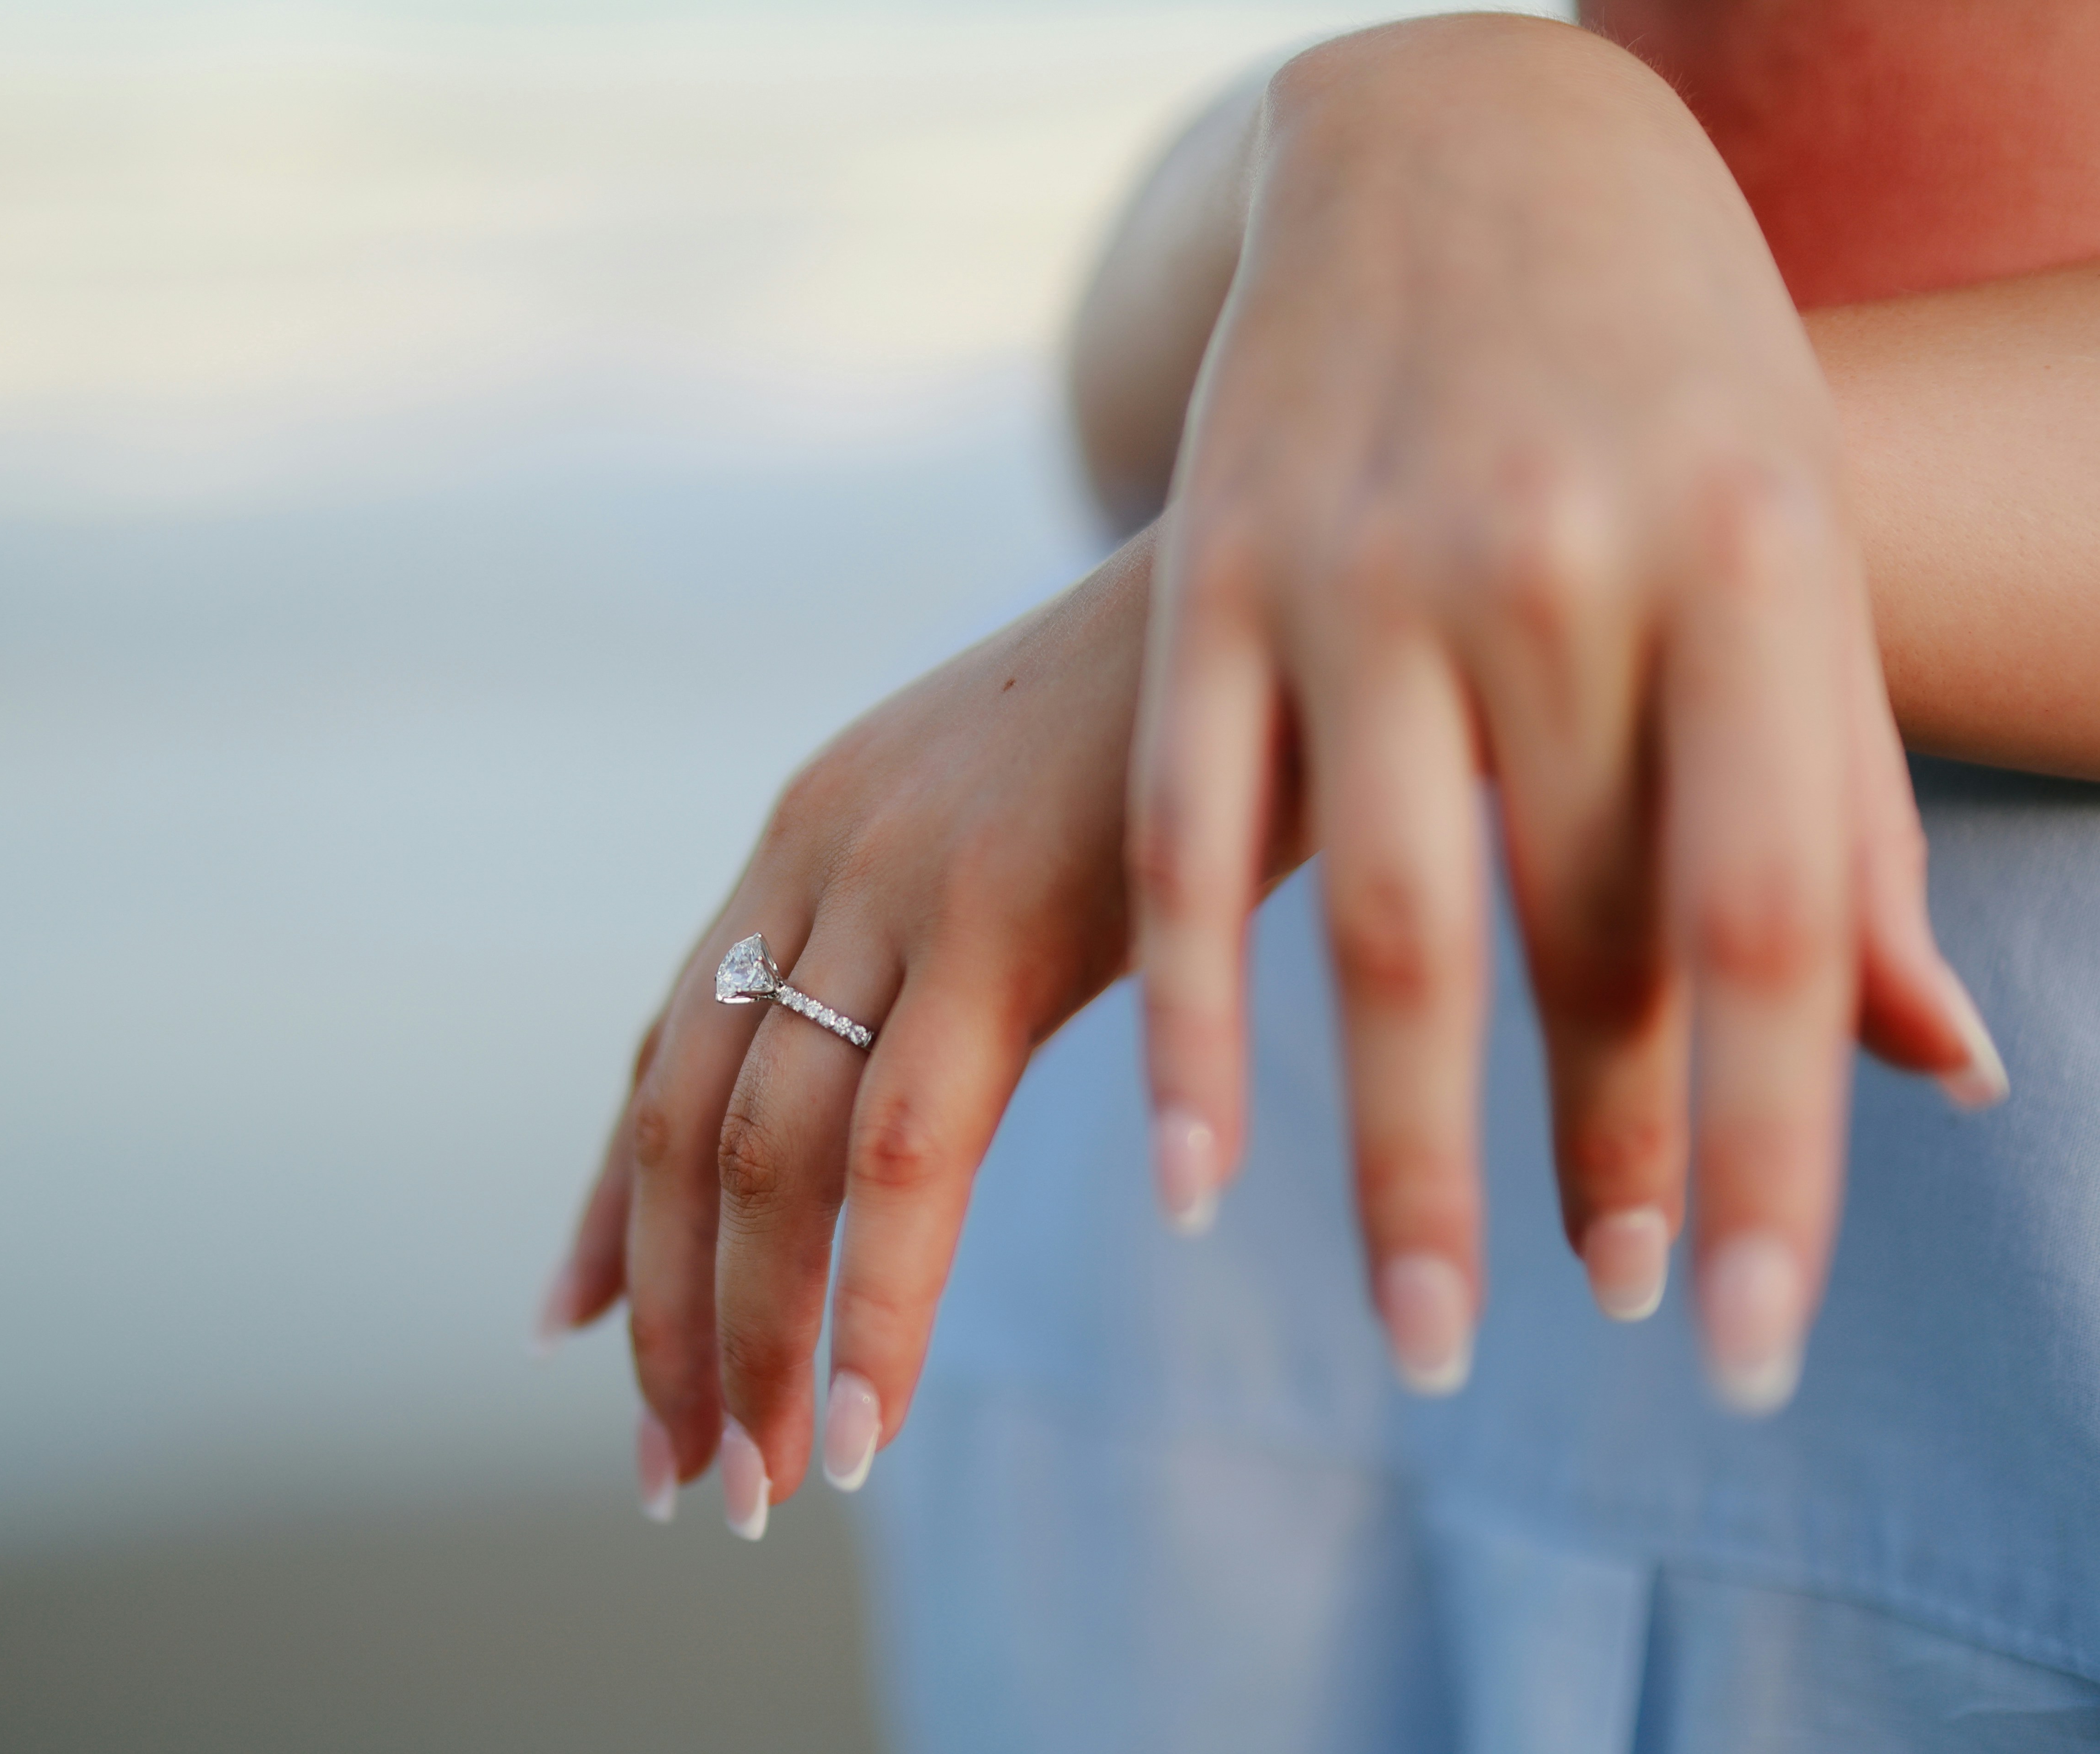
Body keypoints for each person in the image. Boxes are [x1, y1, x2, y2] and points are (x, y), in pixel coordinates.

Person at [541, 5, 2100, 1745]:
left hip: (1987, 1214)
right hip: (1229, 1028)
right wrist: (1410, 121)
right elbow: (1133, 399)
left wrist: (1502, 494)